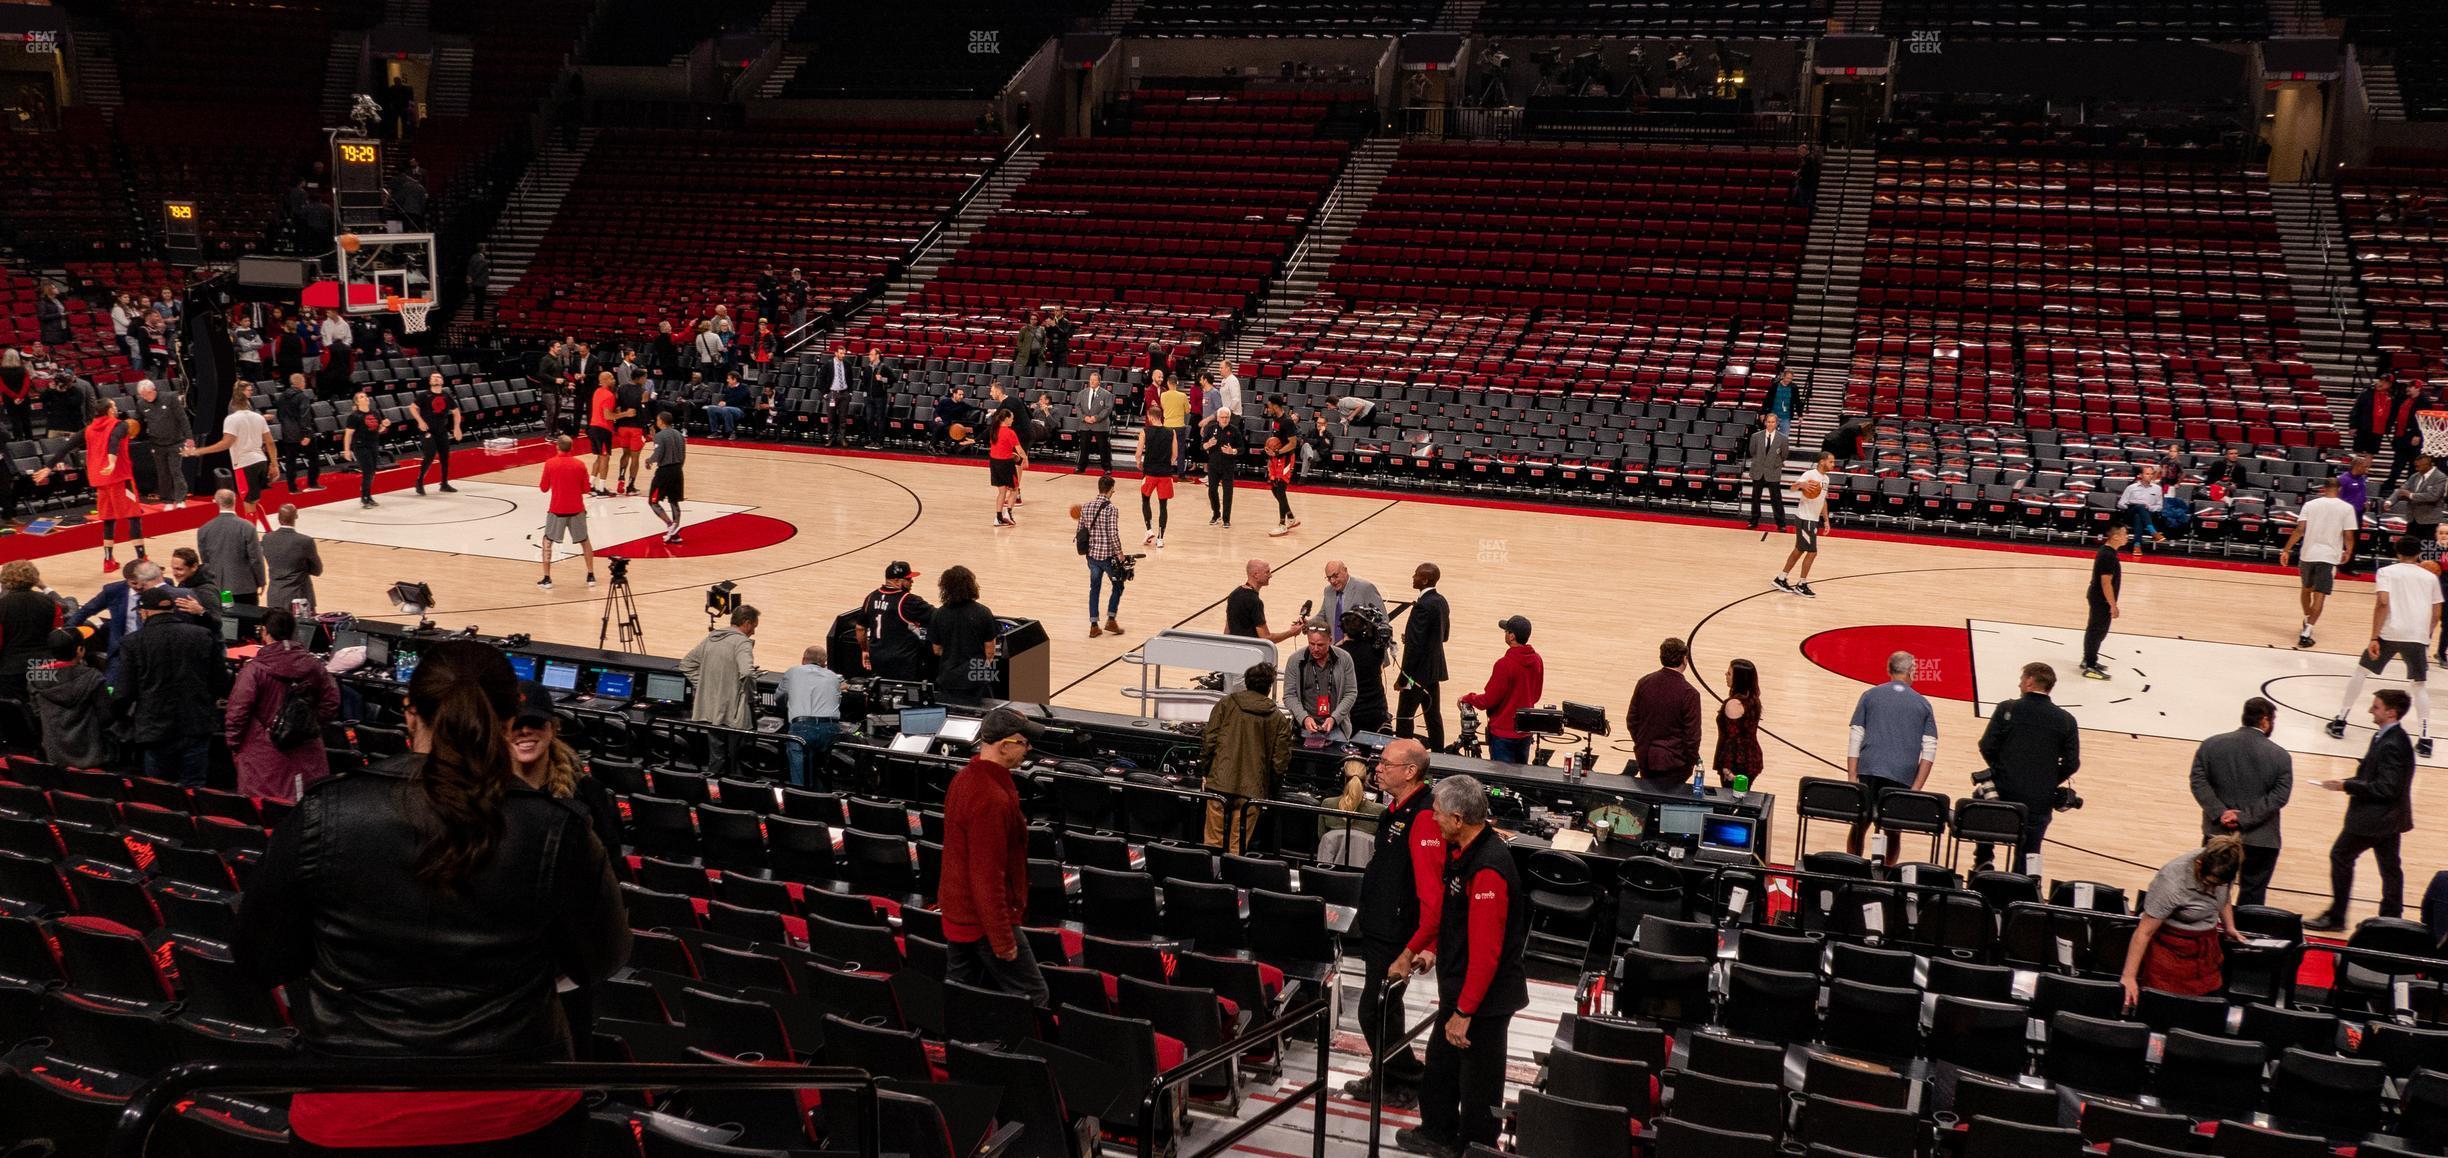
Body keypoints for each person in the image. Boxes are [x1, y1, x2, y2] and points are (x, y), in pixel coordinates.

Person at [234, 640, 628, 1156]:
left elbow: (261, 958)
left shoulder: (324, 813)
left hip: (352, 1104)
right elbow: (602, 959)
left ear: (409, 710)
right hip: (514, 1105)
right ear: (510, 719)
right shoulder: (556, 827)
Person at [1398, 774, 1529, 1158]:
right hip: (1459, 991)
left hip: (1484, 1003)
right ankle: (1437, 1133)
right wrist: (1412, 951)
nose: (1431, 819)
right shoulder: (1464, 852)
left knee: (1478, 1087)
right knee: (1440, 1070)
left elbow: (1486, 953)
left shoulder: (1488, 868)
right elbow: (1447, 918)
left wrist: (1465, 1011)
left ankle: (1475, 1149)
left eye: (1437, 813)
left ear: (1458, 818)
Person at [1344, 738, 1444, 1109]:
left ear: (1410, 771)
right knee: (1387, 1010)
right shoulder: (1398, 808)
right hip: (1381, 925)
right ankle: (1389, 1075)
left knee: (1372, 1010)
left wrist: (1422, 946)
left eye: (1386, 763)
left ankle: (1406, 1078)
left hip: (1397, 933)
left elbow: (1432, 891)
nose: (1378, 768)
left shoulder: (1423, 817)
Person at [943, 706, 1050, 1005]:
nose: (1029, 749)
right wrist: (1003, 939)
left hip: (961, 914)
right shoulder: (991, 798)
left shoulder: (965, 779)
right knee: (1034, 997)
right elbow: (986, 875)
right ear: (1005, 745)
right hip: (985, 923)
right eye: (1024, 743)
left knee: (964, 997)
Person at [2308, 687, 2418, 930]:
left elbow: (2387, 788)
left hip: (2374, 819)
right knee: (2390, 869)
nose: (2370, 710)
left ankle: (2337, 917)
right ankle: (2391, 920)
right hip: (2390, 819)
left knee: (2341, 855)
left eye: (2376, 707)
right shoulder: (2387, 736)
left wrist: (2347, 785)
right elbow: (2375, 778)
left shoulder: (2393, 743)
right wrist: (2346, 783)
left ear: (2391, 712)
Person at [2327, 535, 2443, 755]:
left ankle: (2340, 720)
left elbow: (2382, 603)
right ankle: (2426, 738)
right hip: (2418, 635)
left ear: (2397, 553)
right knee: (2419, 686)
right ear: (2420, 553)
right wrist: (2426, 637)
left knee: (2361, 672)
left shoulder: (2386, 572)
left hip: (2389, 632)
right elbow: (2437, 612)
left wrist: (2374, 636)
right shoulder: (2430, 578)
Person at [109, 586, 227, 786]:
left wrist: (118, 719)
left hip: (155, 729)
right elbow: (221, 683)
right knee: (194, 787)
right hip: (196, 724)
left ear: (144, 612)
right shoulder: (202, 635)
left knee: (159, 791)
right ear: (172, 609)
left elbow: (124, 693)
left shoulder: (133, 642)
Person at [1974, 661, 2082, 873]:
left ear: (2030, 682)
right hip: (2039, 801)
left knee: (1980, 801)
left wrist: (2002, 770)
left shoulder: (2008, 708)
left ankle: (1983, 860)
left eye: (2022, 680)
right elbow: (2072, 763)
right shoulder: (2067, 720)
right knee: (2029, 852)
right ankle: (2022, 885)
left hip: (2002, 794)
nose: (2019, 684)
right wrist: (2049, 780)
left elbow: (1986, 746)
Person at [225, 606, 341, 801]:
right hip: (307, 752)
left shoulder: (254, 670)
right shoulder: (315, 665)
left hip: (262, 754)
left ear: (264, 632)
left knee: (267, 814)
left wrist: (235, 746)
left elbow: (237, 711)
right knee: (305, 814)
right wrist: (309, 725)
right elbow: (331, 702)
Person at [2189, 696, 2293, 908]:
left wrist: (2220, 813)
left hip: (2218, 834)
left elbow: (2198, 781)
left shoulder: (2211, 745)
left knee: (2209, 888)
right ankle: (2243, 936)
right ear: (2264, 721)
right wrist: (2244, 817)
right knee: (2252, 895)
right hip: (2261, 838)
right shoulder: (2281, 756)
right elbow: (2279, 796)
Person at [2121, 835, 2247, 1006]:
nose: (2211, 889)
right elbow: (2144, 931)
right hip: (2170, 954)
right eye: (2208, 882)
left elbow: (2223, 897)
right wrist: (2129, 977)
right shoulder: (2171, 880)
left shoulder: (2225, 865)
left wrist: (2229, 926)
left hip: (2206, 954)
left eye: (2217, 885)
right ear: (2199, 864)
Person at [508, 681, 621, 856]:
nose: (525, 731)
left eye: (535, 723)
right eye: (516, 724)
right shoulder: (484, 792)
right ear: (500, 730)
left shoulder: (588, 792)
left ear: (553, 727)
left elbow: (611, 862)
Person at [1845, 651, 1937, 858]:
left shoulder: (1869, 695)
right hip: (1902, 775)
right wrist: (1916, 788)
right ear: (1911, 671)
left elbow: (1855, 736)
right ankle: (1887, 878)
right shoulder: (1923, 704)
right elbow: (1930, 749)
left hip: (1869, 769)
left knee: (1860, 824)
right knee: (1893, 831)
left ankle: (1853, 868)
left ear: (1888, 670)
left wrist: (1852, 776)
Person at [1202, 662, 1292, 853]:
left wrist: (1206, 771)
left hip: (1219, 781)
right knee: (1238, 848)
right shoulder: (1278, 718)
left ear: (1246, 683)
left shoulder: (1226, 704)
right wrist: (1271, 789)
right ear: (1269, 687)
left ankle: (1205, 880)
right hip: (1253, 789)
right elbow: (1280, 761)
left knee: (1211, 844)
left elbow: (1209, 740)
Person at [64, 397, 149, 572]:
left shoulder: (90, 429)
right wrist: (111, 463)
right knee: (133, 516)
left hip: (101, 480)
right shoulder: (119, 425)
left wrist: (49, 466)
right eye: (115, 406)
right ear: (110, 410)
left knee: (109, 519)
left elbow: (67, 446)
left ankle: (108, 560)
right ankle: (142, 561)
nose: (117, 408)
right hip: (120, 478)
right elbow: (114, 442)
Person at [2282, 475, 2358, 648]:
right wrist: (2349, 551)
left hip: (2308, 554)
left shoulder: (2310, 505)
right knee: (2320, 594)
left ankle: (2307, 619)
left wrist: (2286, 549)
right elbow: (2348, 535)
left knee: (2306, 590)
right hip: (2328, 557)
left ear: (2323, 488)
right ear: (2339, 489)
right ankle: (2307, 629)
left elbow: (2300, 529)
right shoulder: (2347, 508)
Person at [1458, 616, 1545, 764]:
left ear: (1512, 636)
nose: (1504, 633)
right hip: (1524, 731)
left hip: (1503, 734)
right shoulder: (1537, 660)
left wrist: (1468, 698)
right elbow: (1535, 696)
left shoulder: (1504, 664)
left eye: (1506, 631)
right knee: (1519, 780)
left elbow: (1488, 700)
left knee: (1500, 783)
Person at [1628, 637, 1704, 792]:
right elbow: (1692, 736)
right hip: (1675, 764)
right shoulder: (1689, 693)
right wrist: (1689, 762)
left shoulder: (1644, 682)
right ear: (1684, 659)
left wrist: (1643, 744)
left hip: (1645, 757)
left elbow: (1632, 720)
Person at [31, 628, 113, 771]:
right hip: (91, 755)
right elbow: (106, 716)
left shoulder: (37, 675)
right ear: (79, 650)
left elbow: (37, 711)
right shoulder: (92, 677)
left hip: (54, 755)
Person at [682, 605, 760, 736]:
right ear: (747, 623)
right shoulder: (742, 642)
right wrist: (751, 696)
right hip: (734, 714)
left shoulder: (712, 638)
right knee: (738, 755)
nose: (754, 632)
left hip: (711, 711)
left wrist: (704, 686)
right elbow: (747, 673)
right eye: (754, 626)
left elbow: (686, 664)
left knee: (716, 756)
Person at [1397, 563, 1450, 751]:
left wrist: (1403, 678)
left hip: (1417, 672)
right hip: (1433, 670)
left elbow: (1415, 649)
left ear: (1425, 579)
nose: (1413, 577)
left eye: (1417, 575)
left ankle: (1403, 756)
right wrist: (1411, 638)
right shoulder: (1441, 601)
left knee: (1404, 717)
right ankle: (1440, 756)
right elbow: (1443, 636)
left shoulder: (1423, 606)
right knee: (1433, 715)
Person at [777, 646, 844, 788]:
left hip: (802, 728)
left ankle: (801, 799)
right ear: (825, 664)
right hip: (830, 729)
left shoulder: (793, 672)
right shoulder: (833, 676)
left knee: (800, 778)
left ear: (803, 660)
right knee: (825, 772)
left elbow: (780, 697)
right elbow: (837, 701)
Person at [536, 436, 597, 592]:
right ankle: (591, 575)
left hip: (557, 509)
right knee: (585, 541)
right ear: (571, 448)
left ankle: (547, 578)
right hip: (577, 508)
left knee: (547, 542)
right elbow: (586, 489)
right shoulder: (580, 464)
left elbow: (543, 488)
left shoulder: (550, 464)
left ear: (557, 447)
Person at [858, 561, 935, 682]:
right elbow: (937, 616)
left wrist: (864, 650)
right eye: (908, 579)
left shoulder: (870, 597)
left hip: (877, 659)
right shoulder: (909, 601)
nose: (912, 582)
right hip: (903, 662)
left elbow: (860, 628)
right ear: (897, 581)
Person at [1283, 619, 1357, 742]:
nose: (1315, 649)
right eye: (1311, 644)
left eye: (1320, 645)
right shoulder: (1295, 660)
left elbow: (1351, 693)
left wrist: (1334, 718)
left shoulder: (1344, 659)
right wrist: (1304, 717)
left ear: (1330, 640)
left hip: (1336, 727)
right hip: (1304, 728)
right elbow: (1289, 695)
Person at [932, 565, 1000, 698]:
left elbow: (936, 649)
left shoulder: (939, 613)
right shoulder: (983, 612)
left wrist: (953, 655)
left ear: (945, 588)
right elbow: (990, 651)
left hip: (948, 675)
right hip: (976, 674)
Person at [1774, 451, 1835, 597]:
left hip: (1813, 518)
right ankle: (1801, 584)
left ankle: (1781, 578)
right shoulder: (1810, 474)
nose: (1833, 464)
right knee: (1812, 552)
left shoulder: (1826, 479)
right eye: (1831, 462)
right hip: (1805, 518)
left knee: (1799, 550)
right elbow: (1792, 488)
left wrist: (1826, 520)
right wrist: (1802, 485)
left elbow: (1823, 500)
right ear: (1822, 461)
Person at [0, 561, 61, 699]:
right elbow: (55, 635)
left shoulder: (2, 606)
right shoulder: (49, 602)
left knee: (17, 712)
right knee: (45, 706)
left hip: (11, 669)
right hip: (44, 664)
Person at [131, 378, 193, 507]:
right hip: (156, 443)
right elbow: (137, 421)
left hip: (175, 441)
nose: (144, 397)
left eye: (146, 394)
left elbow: (182, 418)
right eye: (142, 395)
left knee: (175, 470)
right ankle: (167, 500)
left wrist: (189, 437)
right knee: (162, 472)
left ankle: (180, 499)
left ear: (153, 390)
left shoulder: (170, 398)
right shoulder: (141, 404)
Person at [196, 489, 265, 605]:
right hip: (244, 587)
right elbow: (255, 558)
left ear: (216, 502)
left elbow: (205, 560)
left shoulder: (204, 529)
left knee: (225, 620)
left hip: (219, 587)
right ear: (235, 501)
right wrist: (261, 581)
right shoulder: (247, 527)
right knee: (247, 620)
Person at [1080, 473, 1127, 638]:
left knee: (1094, 588)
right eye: (1113, 488)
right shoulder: (1111, 509)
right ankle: (1111, 620)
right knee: (1118, 586)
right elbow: (1113, 533)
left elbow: (1081, 530)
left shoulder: (1086, 506)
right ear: (1110, 489)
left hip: (1091, 556)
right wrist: (1119, 553)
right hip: (1107, 556)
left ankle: (1094, 625)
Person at [400, 373, 461, 496]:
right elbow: (412, 408)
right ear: (430, 382)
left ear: (442, 381)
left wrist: (456, 427)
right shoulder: (424, 395)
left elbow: (456, 412)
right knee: (430, 455)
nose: (436, 379)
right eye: (433, 378)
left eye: (438, 377)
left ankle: (444, 483)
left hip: (441, 430)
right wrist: (420, 421)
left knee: (445, 456)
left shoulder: (446, 395)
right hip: (427, 430)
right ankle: (420, 481)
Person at [2081, 524, 2127, 680]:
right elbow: (2106, 582)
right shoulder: (2108, 555)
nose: (2127, 537)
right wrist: (2113, 605)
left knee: (2096, 630)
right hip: (2101, 599)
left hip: (2098, 597)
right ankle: (2090, 666)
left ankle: (2088, 659)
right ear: (2115, 536)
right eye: (2124, 534)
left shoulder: (2108, 552)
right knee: (2097, 631)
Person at [1224, 559, 1306, 645]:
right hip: (1251, 652)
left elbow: (1227, 630)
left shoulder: (1233, 594)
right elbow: (1266, 638)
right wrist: (1291, 633)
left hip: (1235, 650)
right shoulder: (1254, 602)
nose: (1270, 575)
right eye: (1267, 572)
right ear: (1256, 575)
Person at [264, 503, 324, 616]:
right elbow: (317, 570)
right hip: (299, 598)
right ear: (296, 517)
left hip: (275, 597)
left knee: (276, 630)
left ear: (278, 518)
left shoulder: (267, 538)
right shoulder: (305, 541)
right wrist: (304, 568)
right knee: (300, 631)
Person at [1714, 658, 1764, 788]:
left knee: (1733, 800)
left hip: (1737, 763)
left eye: (1729, 673)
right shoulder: (1753, 700)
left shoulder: (1734, 704)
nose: (1726, 675)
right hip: (1751, 758)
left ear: (1739, 679)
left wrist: (1727, 767)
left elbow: (1733, 739)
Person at [643, 409, 688, 544]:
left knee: (653, 501)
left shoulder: (660, 436)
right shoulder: (680, 435)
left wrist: (648, 461)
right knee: (674, 501)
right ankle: (674, 534)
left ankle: (670, 525)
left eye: (657, 420)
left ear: (661, 421)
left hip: (664, 472)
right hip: (678, 470)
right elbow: (683, 454)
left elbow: (658, 455)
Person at [342, 387, 391, 509]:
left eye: (365, 396)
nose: (365, 398)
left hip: (373, 444)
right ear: (357, 402)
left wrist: (384, 426)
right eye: (361, 397)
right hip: (360, 446)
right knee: (368, 471)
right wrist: (347, 450)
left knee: (372, 471)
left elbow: (378, 430)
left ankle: (368, 496)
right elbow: (348, 434)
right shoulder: (354, 416)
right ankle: (364, 497)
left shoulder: (375, 413)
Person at [273, 373, 322, 493]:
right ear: (300, 383)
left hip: (287, 433)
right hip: (301, 433)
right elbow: (304, 417)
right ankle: (312, 482)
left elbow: (279, 415)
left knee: (290, 461)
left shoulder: (282, 397)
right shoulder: (302, 397)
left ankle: (292, 487)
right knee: (314, 458)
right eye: (304, 382)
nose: (305, 384)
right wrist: (306, 434)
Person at [1320, 560, 1385, 646]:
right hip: (1337, 650)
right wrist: (1306, 624)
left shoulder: (1365, 588)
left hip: (1363, 651)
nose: (1332, 581)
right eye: (1329, 578)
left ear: (1345, 570)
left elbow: (1382, 620)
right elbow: (1322, 615)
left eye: (1335, 576)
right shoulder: (1328, 591)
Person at [1746, 412, 1789, 532]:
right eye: (1768, 422)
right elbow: (1752, 452)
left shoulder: (1783, 439)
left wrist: (1774, 463)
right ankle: (1753, 521)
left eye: (1773, 422)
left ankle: (1781, 523)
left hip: (1773, 471)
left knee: (1776, 498)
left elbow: (1784, 455)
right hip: (1758, 470)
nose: (1770, 424)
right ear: (1765, 423)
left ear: (1777, 423)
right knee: (1755, 497)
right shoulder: (1755, 436)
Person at [1264, 395, 1301, 535]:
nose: (1268, 407)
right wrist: (1270, 452)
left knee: (1280, 489)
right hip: (1275, 458)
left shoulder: (1287, 422)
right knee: (1273, 488)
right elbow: (1275, 440)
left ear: (1275, 405)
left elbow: (1293, 443)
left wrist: (1278, 451)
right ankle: (1291, 517)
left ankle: (1282, 524)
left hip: (1286, 458)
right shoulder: (1275, 420)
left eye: (1269, 405)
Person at [1203, 404, 1243, 526]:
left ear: (1229, 418)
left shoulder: (1235, 430)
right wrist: (1208, 444)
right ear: (1218, 418)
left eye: (1226, 417)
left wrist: (1233, 451)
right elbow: (1202, 446)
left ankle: (1226, 519)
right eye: (1222, 417)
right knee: (1212, 491)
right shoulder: (1210, 429)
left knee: (1227, 492)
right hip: (1214, 465)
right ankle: (1216, 514)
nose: (1224, 419)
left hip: (1228, 465)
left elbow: (1242, 449)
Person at [2396, 453, 2448, 547]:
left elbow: (2433, 496)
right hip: (2412, 519)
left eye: (2419, 466)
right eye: (2416, 466)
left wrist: (2411, 495)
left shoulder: (2440, 477)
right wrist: (2389, 502)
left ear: (2428, 465)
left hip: (2429, 521)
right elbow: (2402, 490)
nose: (2416, 468)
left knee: (2426, 550)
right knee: (2409, 548)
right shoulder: (2415, 476)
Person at [612, 371, 651, 494]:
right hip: (636, 427)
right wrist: (648, 426)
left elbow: (617, 406)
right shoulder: (643, 392)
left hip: (622, 426)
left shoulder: (621, 388)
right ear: (639, 378)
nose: (646, 380)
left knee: (625, 454)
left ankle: (621, 479)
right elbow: (644, 412)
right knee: (635, 457)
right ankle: (630, 486)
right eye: (644, 377)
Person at [989, 407, 1026, 529]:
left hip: (994, 463)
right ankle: (1008, 513)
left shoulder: (994, 430)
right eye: (1011, 418)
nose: (1013, 421)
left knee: (1001, 492)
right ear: (1006, 419)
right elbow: (1019, 450)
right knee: (1015, 489)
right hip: (1005, 463)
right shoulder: (1010, 432)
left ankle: (998, 518)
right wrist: (1025, 459)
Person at [586, 371, 620, 495]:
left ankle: (590, 484)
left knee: (599, 457)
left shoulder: (597, 392)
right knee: (605, 458)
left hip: (593, 427)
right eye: (611, 378)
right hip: (602, 429)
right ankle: (601, 488)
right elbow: (608, 416)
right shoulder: (609, 395)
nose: (614, 380)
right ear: (604, 380)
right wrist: (625, 414)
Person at [1074, 371, 1114, 473]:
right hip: (1085, 424)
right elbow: (1077, 407)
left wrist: (1096, 418)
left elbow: (1108, 409)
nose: (1092, 381)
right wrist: (1084, 417)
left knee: (1103, 447)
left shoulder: (1106, 394)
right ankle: (1081, 467)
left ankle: (1107, 468)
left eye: (1094, 380)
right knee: (1084, 447)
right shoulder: (1082, 393)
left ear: (1099, 382)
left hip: (1100, 425)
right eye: (1091, 379)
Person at [706, 370, 747, 440]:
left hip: (739, 410)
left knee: (726, 409)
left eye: (729, 379)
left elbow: (738, 399)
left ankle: (731, 432)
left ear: (734, 379)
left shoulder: (743, 387)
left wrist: (726, 403)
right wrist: (722, 402)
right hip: (727, 408)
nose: (727, 380)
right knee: (711, 408)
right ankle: (716, 431)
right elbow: (726, 399)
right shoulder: (728, 388)